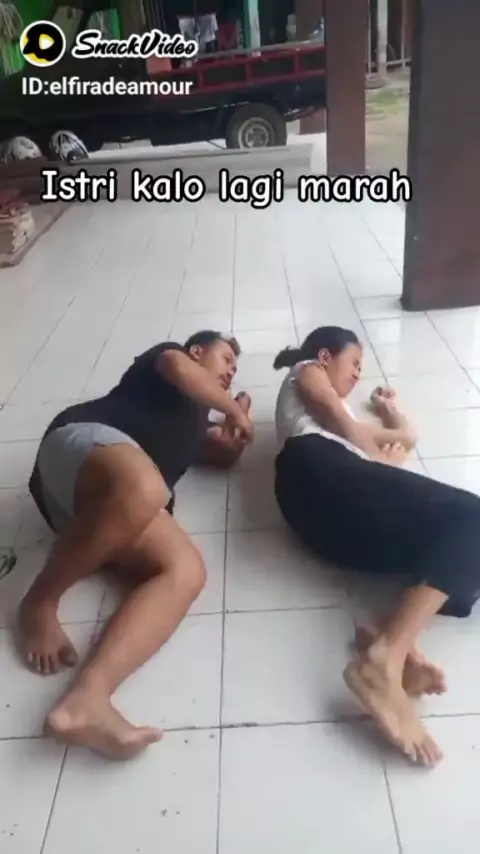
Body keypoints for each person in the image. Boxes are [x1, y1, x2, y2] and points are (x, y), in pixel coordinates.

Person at [19, 331, 253, 760]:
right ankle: (39, 602)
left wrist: (231, 432)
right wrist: (231, 409)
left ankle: (87, 701)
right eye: (225, 360)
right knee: (147, 488)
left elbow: (219, 454)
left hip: (103, 512)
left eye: (235, 370)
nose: (230, 371)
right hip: (83, 446)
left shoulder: (196, 419)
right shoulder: (169, 361)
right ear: (197, 352)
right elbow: (180, 370)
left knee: (187, 571)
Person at [273, 325, 480, 768]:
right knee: (473, 519)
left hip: (331, 518)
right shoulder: (307, 371)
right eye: (354, 364)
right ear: (325, 357)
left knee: (463, 557)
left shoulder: (344, 432)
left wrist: (389, 412)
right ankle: (386, 657)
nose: (357, 375)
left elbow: (402, 442)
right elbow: (347, 423)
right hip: (315, 472)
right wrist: (376, 448)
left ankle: (386, 635)